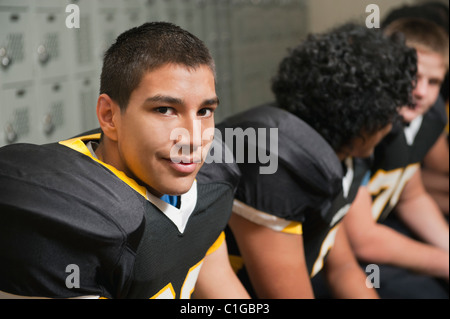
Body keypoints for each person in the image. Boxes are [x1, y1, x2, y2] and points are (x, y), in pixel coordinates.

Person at [0, 22, 249, 299]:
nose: (193, 138)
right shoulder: (72, 211)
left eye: (204, 111)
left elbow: (222, 289)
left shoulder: (210, 181)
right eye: (165, 109)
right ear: (109, 116)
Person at [205, 23, 417, 299]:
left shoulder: (346, 152)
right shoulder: (275, 161)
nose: (393, 124)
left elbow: (342, 267)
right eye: (390, 113)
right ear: (366, 116)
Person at [342, 18, 449, 299]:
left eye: (434, 81)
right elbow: (363, 240)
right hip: (336, 250)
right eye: (412, 75)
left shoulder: (428, 116)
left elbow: (411, 196)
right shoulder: (363, 126)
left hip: (378, 227)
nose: (421, 91)